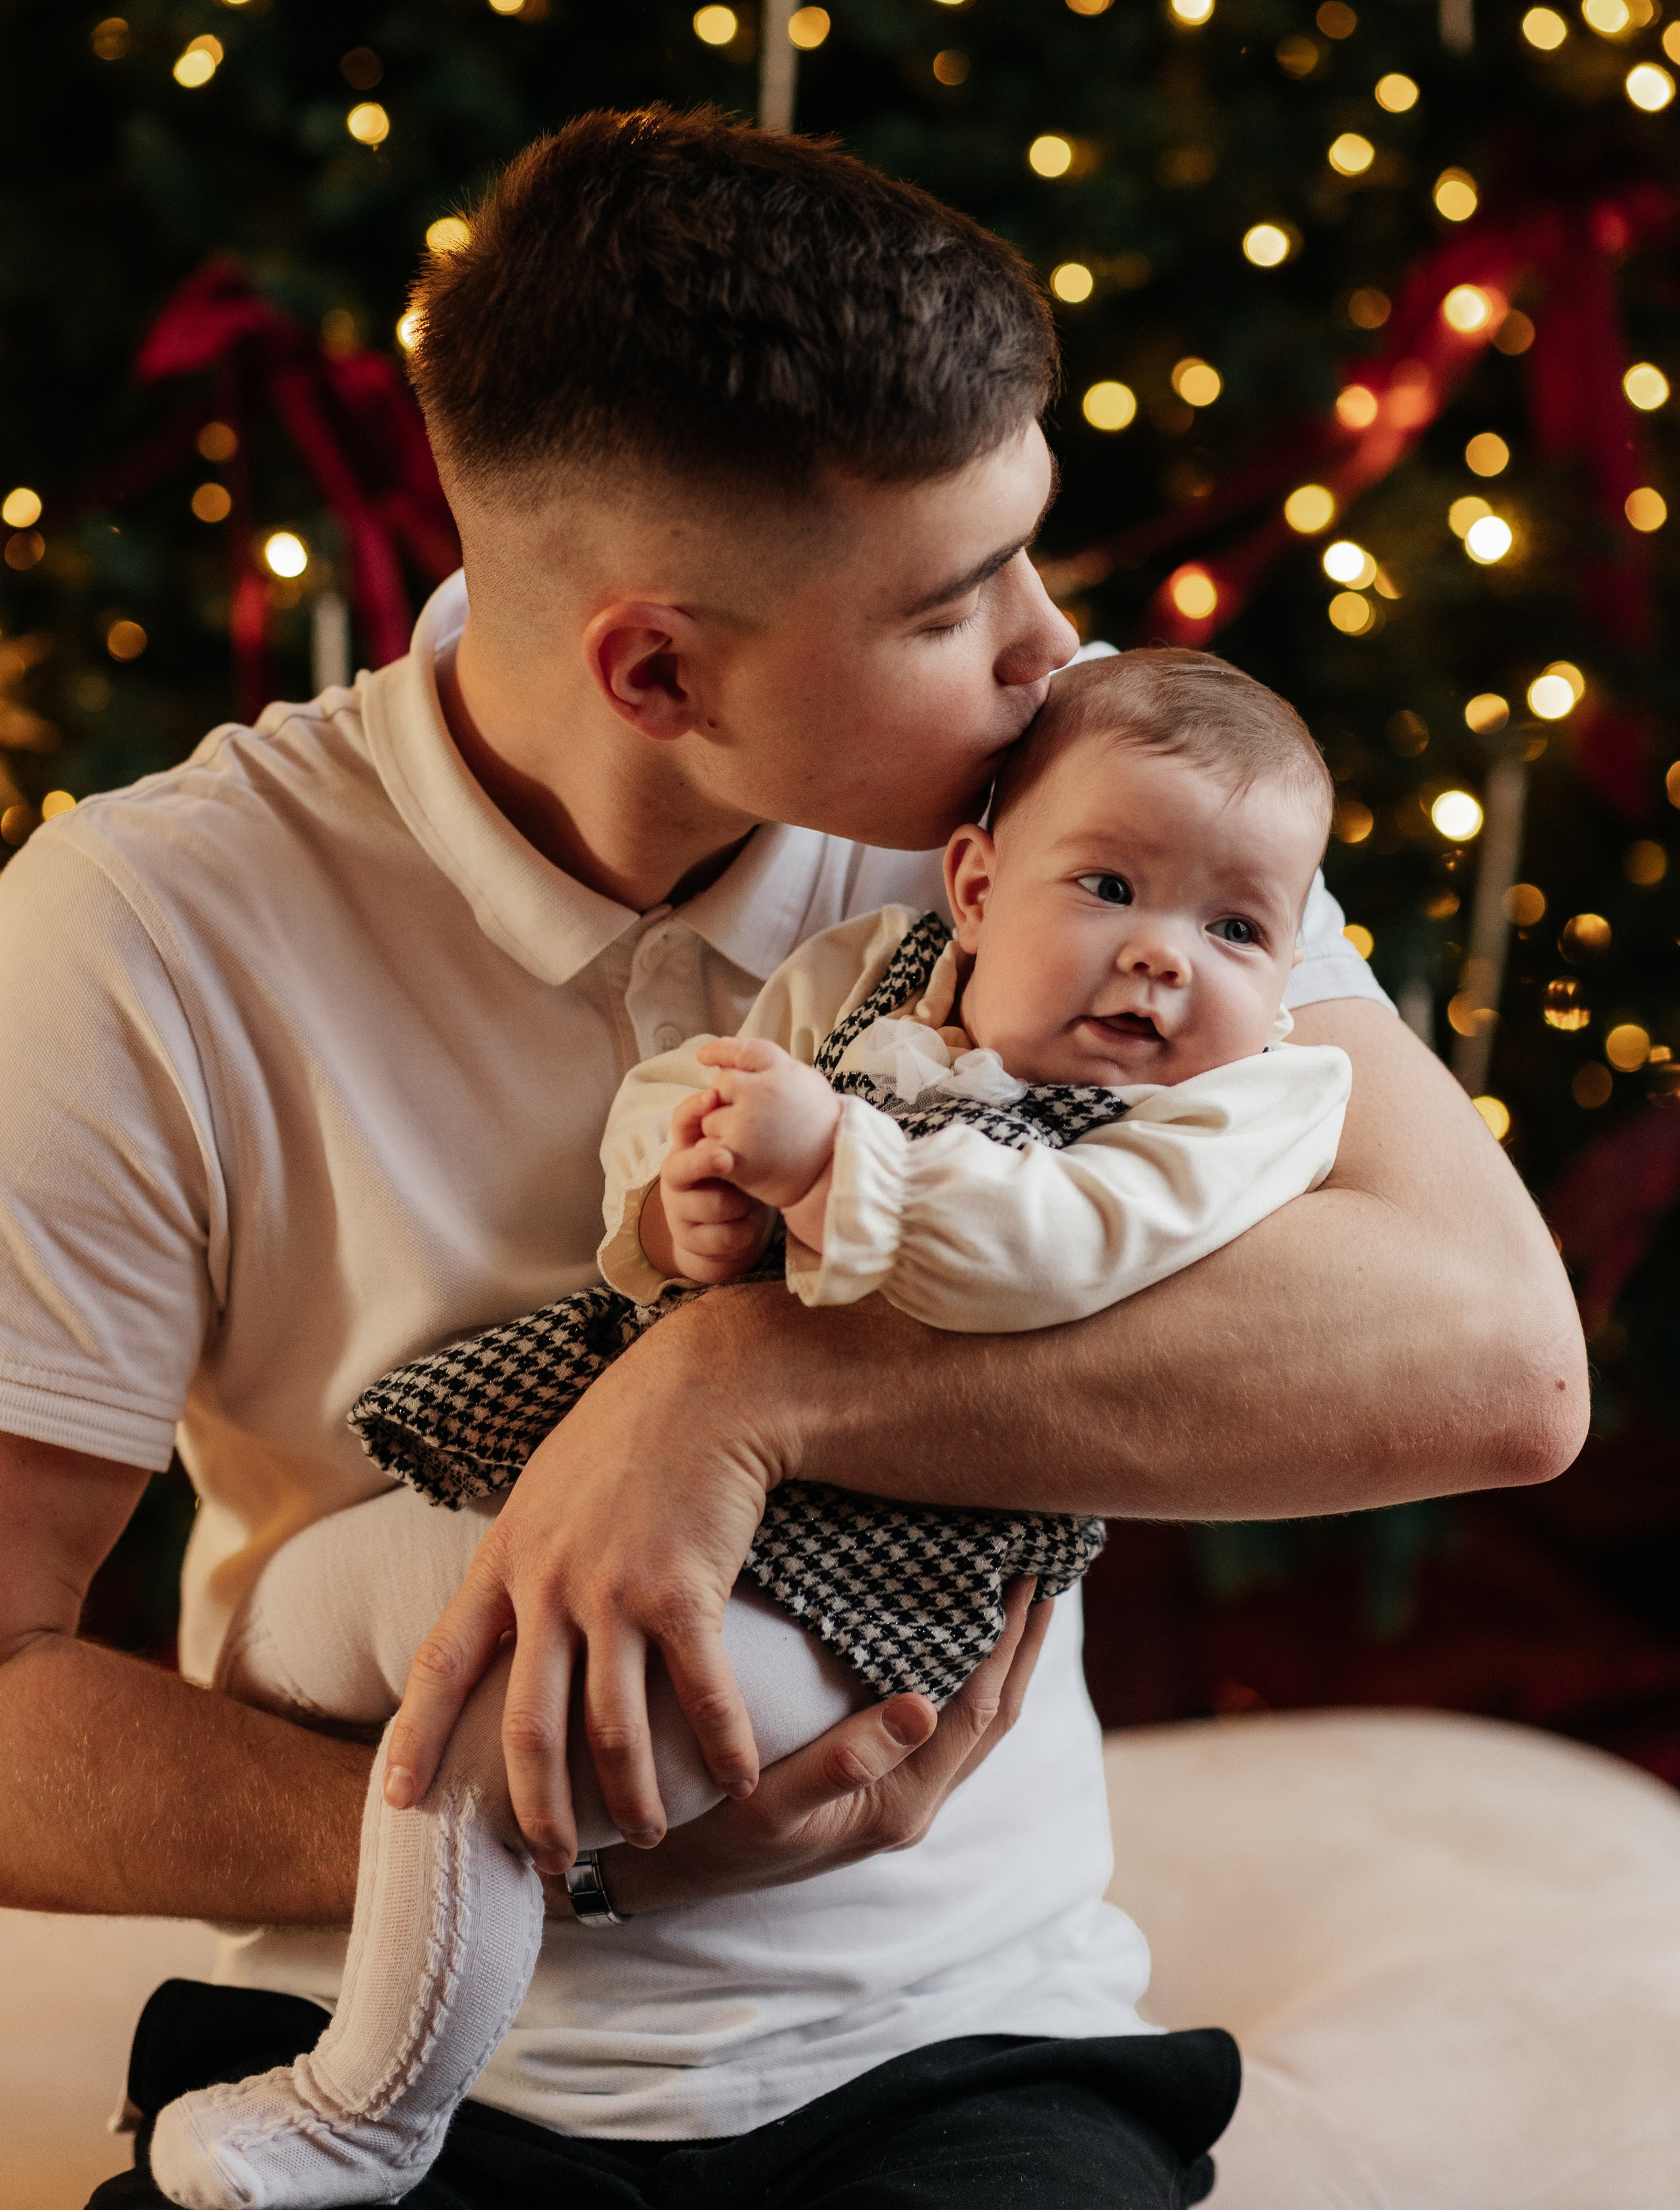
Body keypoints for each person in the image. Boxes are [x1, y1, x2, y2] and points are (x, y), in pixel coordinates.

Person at [0, 108, 1584, 2210]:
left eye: (1031, 550)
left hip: (962, 2046)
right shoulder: (142, 933)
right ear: (656, 666)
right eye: (953, 603)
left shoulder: (1103, 813)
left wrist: (742, 1384)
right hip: (384, 2051)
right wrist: (538, 1842)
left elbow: (1500, 1357)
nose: (1053, 648)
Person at [150, 649, 1353, 2209]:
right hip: (603, 1479)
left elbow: (1056, 1248)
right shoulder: (869, 970)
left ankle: (370, 2097)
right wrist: (681, 1206)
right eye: (1110, 887)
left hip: (869, 1591)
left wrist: (833, 1160)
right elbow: (682, 1093)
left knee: (539, 1711)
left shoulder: (1232, 1108)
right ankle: (378, 1922)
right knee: (302, 1618)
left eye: (1238, 927)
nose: (1163, 961)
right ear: (977, 885)